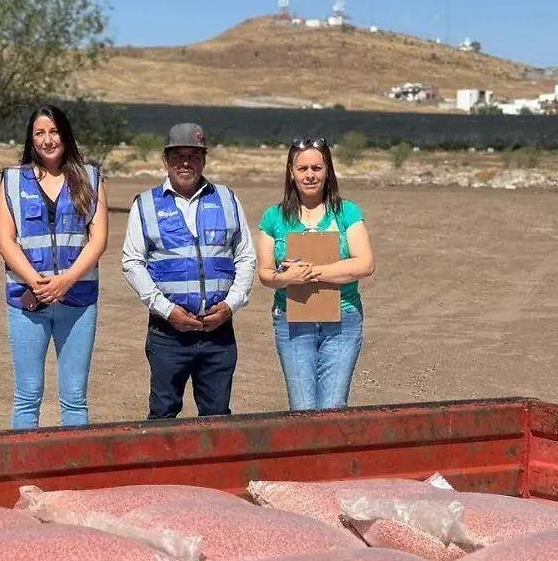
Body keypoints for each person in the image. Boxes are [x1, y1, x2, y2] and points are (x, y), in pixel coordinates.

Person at [122, 123, 256, 420]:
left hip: (218, 332)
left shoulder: (227, 198)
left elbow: (245, 256)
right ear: (165, 160)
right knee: (163, 413)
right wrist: (167, 311)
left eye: (193, 155)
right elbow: (132, 262)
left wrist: (230, 305)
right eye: (177, 155)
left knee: (217, 416)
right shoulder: (145, 204)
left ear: (204, 159)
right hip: (168, 334)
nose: (185, 162)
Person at [0, 106, 109, 429]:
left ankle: (73, 473)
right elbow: (5, 241)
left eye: (54, 131)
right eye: (40, 133)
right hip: (27, 302)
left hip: (78, 301)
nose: (48, 140)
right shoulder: (12, 180)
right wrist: (39, 284)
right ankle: (24, 472)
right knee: (27, 396)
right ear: (31, 139)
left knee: (74, 397)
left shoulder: (90, 177)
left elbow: (98, 239)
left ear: (66, 134)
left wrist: (66, 281)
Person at [255, 137, 375, 411]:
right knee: (302, 409)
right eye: (303, 168)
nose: (310, 175)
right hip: (292, 320)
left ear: (327, 171)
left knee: (333, 407)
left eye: (317, 168)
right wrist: (286, 279)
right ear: (291, 172)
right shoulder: (273, 218)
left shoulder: (346, 212)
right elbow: (264, 273)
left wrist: (311, 272)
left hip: (343, 320)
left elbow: (365, 264)